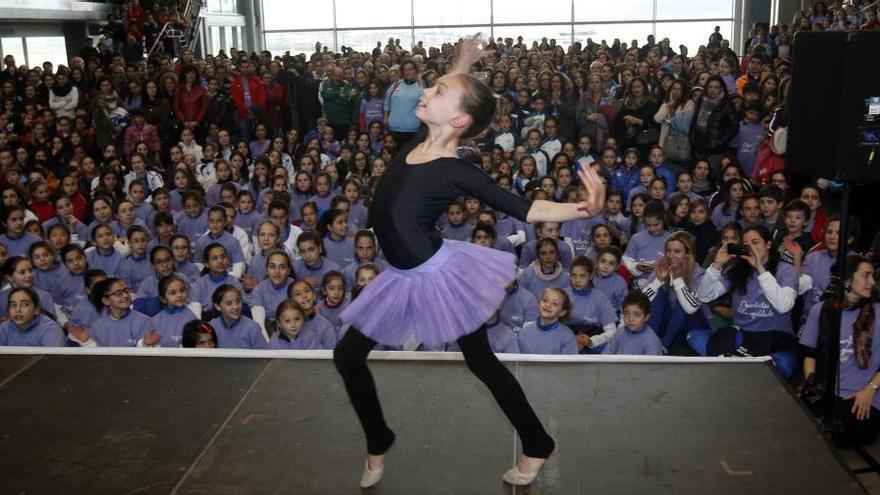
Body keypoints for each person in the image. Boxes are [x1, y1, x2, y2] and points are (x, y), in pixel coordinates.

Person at [333, 36, 605, 490]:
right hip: (400, 277)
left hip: (439, 278)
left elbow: (525, 208)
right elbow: (451, 93)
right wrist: (462, 62)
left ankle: (537, 442)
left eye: (437, 91)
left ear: (457, 119)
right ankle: (379, 436)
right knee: (347, 356)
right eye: (432, 86)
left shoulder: (456, 168)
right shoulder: (420, 139)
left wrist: (583, 210)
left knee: (481, 361)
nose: (426, 90)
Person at [800, 255, 880, 445]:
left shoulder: (878, 312)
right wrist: (811, 384)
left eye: (872, 277)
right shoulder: (822, 310)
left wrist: (870, 390)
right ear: (847, 280)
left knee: (835, 431)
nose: (872, 282)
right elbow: (810, 355)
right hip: (826, 393)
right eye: (866, 276)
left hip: (865, 397)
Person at [691, 225, 798, 357]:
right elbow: (704, 296)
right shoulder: (738, 268)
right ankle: (735, 361)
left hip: (775, 338)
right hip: (742, 336)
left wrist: (760, 269)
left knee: (779, 365)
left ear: (768, 244)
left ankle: (731, 361)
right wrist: (716, 265)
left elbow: (784, 306)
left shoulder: (786, 270)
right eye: (746, 244)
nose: (751, 248)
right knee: (694, 336)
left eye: (755, 242)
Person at [603, 290, 664, 355]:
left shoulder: (651, 342)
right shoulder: (620, 332)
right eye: (626, 314)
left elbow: (650, 365)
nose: (630, 319)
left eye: (636, 315)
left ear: (646, 317)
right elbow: (605, 356)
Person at [0, 287, 65, 347]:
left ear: (37, 309)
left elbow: (52, 359)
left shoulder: (50, 329)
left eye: (25, 304)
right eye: (13, 305)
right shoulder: (4, 328)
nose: (17, 310)